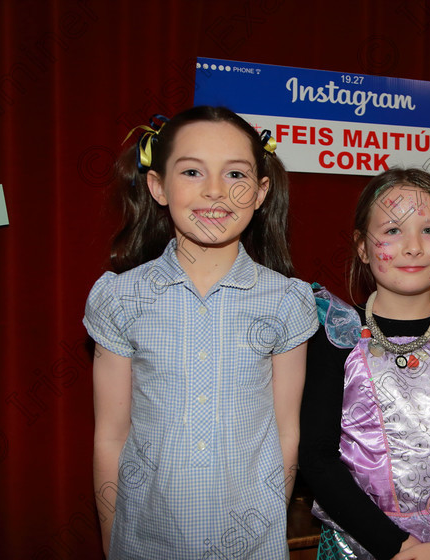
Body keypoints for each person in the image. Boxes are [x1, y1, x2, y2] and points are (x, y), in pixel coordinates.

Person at [84, 106, 318, 559]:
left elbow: (287, 432)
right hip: (148, 540)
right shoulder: (122, 298)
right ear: (157, 186)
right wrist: (115, 543)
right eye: (192, 171)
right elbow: (110, 436)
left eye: (235, 174)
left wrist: (265, 520)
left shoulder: (286, 301)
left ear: (261, 192)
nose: (216, 192)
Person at [299, 168, 430, 560]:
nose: (413, 247)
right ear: (362, 247)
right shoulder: (338, 336)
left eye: (429, 230)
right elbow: (316, 455)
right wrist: (398, 547)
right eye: (393, 231)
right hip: (356, 544)